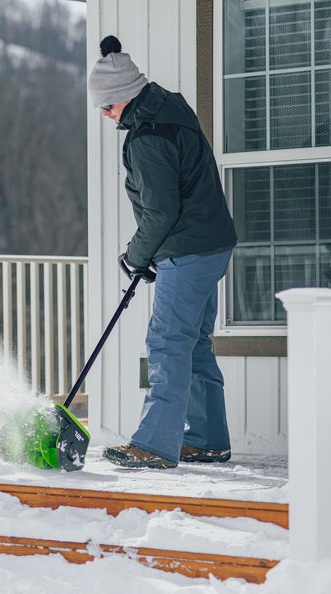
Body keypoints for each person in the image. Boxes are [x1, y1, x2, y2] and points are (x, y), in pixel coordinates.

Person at [88, 36, 237, 469]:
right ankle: (208, 439)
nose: (105, 114)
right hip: (211, 244)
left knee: (168, 341)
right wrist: (154, 253)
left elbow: (160, 212)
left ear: (125, 97)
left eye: (108, 105)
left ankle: (154, 444)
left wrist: (135, 256)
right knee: (192, 342)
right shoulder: (169, 107)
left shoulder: (146, 137)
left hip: (189, 248)